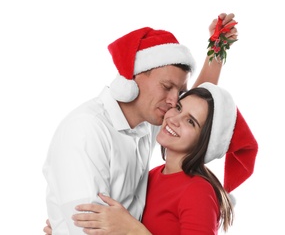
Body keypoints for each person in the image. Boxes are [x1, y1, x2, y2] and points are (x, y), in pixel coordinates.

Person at [43, 13, 238, 234]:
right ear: (135, 77)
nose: (174, 103)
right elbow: (82, 228)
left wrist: (217, 49)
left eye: (180, 93)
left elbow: (203, 112)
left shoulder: (147, 123)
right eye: (166, 86)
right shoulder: (87, 132)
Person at [68, 82, 258, 234]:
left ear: (205, 141)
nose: (174, 119)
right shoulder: (151, 176)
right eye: (178, 108)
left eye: (190, 121)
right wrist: (71, 228)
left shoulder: (198, 191)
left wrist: (133, 230)